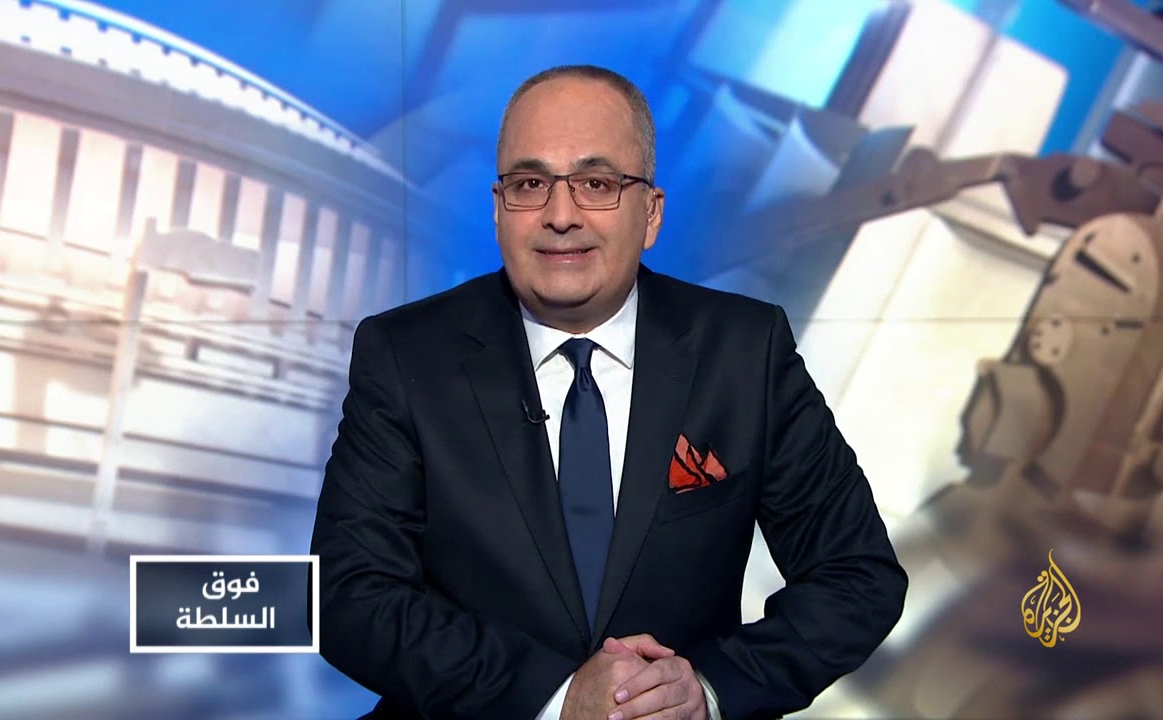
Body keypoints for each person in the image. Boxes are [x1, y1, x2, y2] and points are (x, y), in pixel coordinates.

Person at [310, 64, 907, 720]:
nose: (561, 216)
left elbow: (856, 575)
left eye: (596, 184)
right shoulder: (405, 354)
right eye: (530, 184)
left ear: (650, 214)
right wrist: (557, 699)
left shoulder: (745, 352)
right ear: (499, 209)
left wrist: (706, 691)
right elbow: (345, 594)